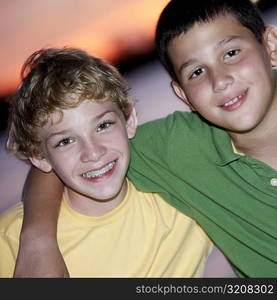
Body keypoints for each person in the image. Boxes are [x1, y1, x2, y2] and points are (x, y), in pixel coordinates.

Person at [10, 0, 277, 277]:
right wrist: (37, 240)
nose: (219, 80)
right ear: (183, 94)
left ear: (270, 46)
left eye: (231, 53)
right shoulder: (178, 147)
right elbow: (62, 154)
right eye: (196, 72)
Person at [0, 47, 213, 278]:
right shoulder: (11, 241)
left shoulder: (183, 193)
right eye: (66, 141)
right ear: (39, 158)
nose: (92, 153)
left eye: (103, 126)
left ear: (130, 120)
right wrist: (36, 238)